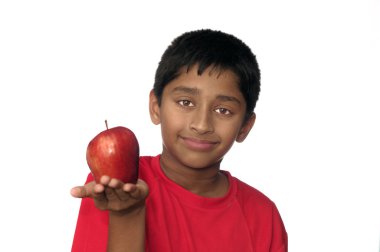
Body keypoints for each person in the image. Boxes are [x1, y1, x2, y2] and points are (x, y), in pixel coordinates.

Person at [71, 29, 288, 252]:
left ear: (244, 126)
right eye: (185, 102)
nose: (202, 124)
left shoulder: (263, 215)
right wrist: (126, 214)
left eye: (223, 110)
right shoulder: (116, 185)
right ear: (156, 107)